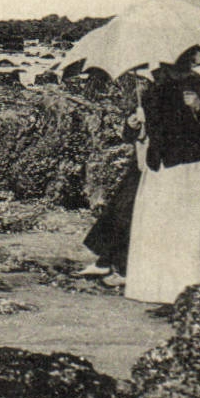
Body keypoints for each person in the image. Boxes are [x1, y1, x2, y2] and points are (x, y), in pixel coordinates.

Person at [124, 46, 200, 308]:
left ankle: (191, 287)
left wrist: (199, 107)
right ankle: (165, 289)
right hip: (164, 171)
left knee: (190, 229)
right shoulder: (151, 93)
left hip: (196, 169)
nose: (162, 72)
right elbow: (137, 133)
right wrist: (134, 124)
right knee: (167, 230)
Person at [78, 80, 148, 283]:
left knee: (129, 213)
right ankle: (107, 261)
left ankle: (116, 264)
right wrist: (132, 124)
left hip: (158, 166)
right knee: (120, 210)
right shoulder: (146, 96)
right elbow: (129, 137)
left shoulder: (176, 95)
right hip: (140, 164)